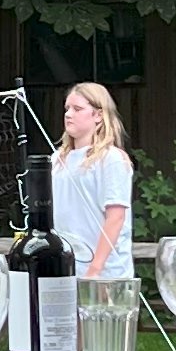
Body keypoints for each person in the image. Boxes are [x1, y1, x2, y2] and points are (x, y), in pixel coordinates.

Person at [51, 80, 134, 279]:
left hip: (106, 274)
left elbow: (116, 217)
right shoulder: (56, 160)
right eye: (67, 108)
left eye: (77, 109)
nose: (68, 114)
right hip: (65, 271)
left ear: (98, 115)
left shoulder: (111, 159)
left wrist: (94, 271)